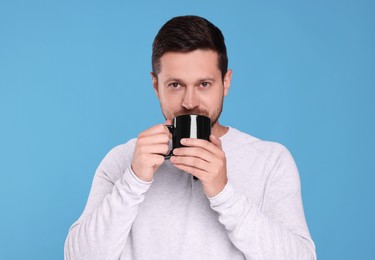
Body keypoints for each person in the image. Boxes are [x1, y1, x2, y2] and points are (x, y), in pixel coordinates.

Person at [64, 15, 316, 260]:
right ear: (156, 86)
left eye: (204, 84)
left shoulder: (271, 161)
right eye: (175, 85)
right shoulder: (123, 160)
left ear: (225, 83)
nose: (190, 101)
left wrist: (223, 193)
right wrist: (133, 180)